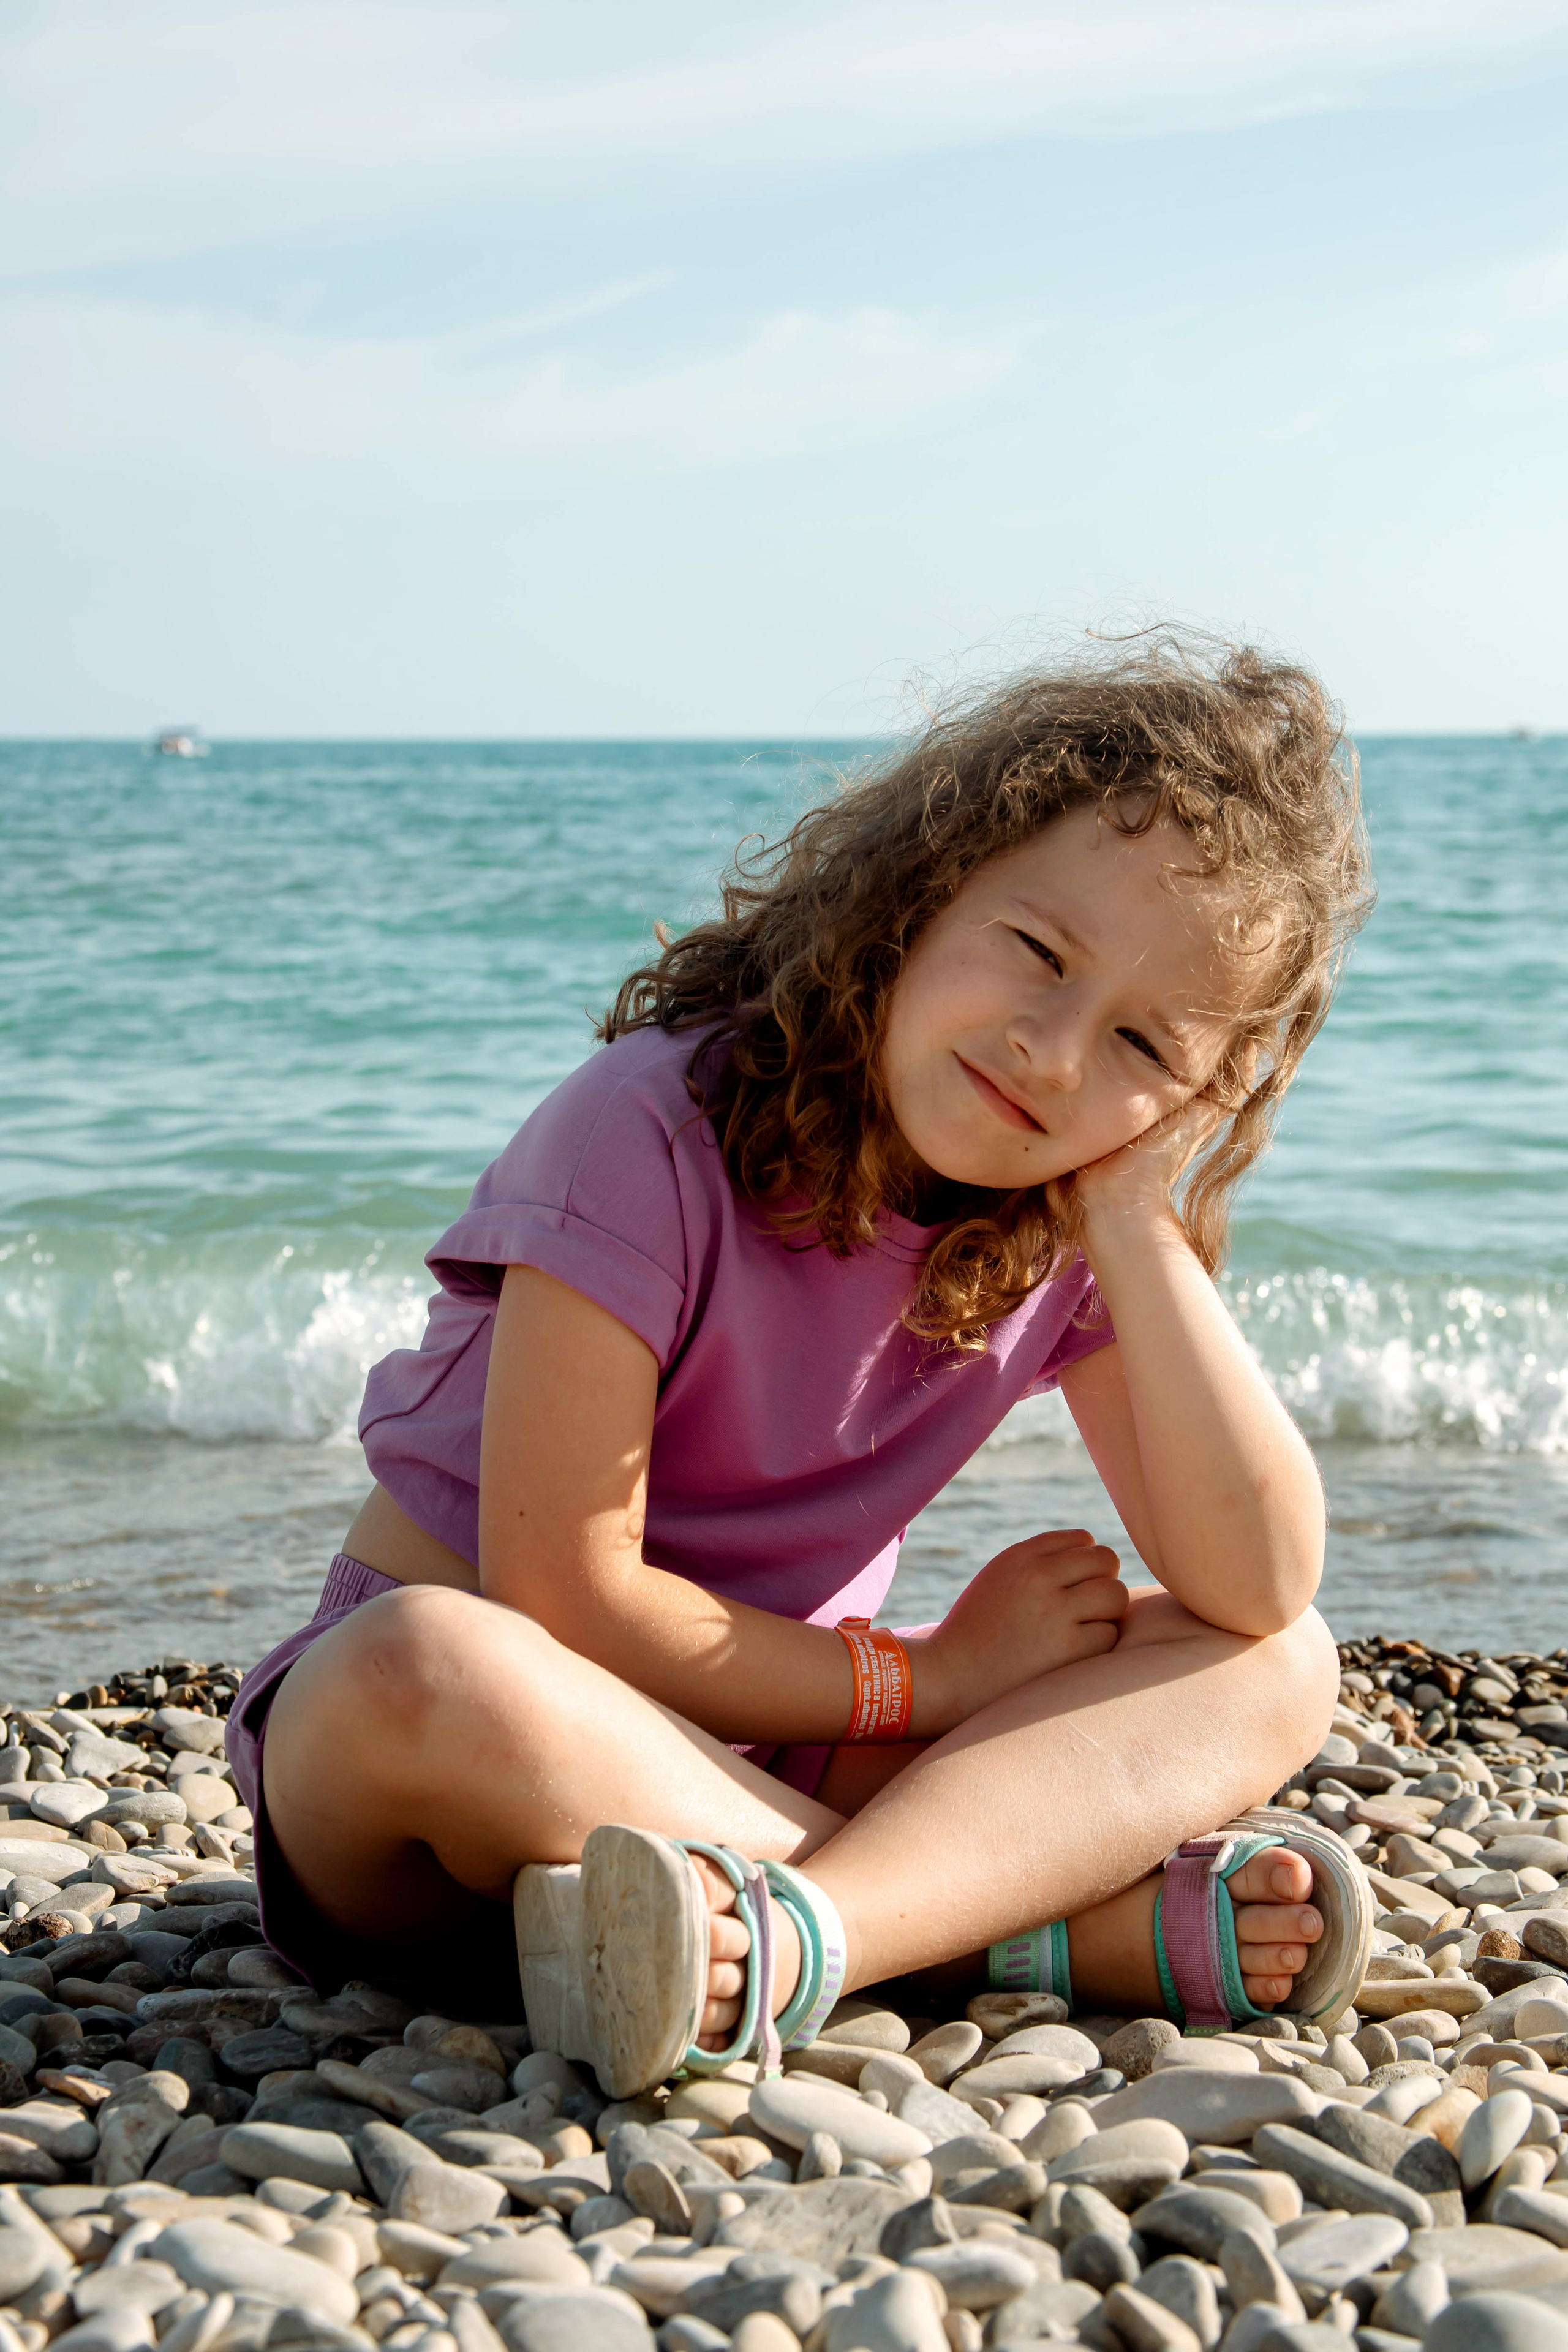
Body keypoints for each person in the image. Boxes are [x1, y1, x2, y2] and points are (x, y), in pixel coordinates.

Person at [227, 635, 1375, 2089]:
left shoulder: (1064, 1216)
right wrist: (934, 1680)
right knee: (422, 1666)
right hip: (451, 1775)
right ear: (920, 887)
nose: (1049, 1052)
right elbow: (562, 1597)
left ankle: (796, 1931)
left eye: (1143, 1042)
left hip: (771, 1780)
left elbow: (1254, 1582)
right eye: (1036, 953)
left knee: (1273, 1662)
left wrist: (1136, 1213)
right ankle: (990, 1928)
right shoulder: (647, 1127)